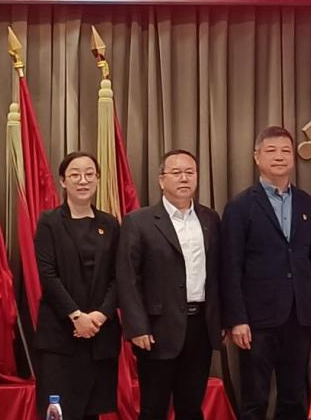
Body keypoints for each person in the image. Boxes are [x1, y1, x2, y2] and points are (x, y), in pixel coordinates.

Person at [221, 126, 311, 420]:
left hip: (299, 317)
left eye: (286, 151)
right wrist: (237, 319)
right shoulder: (240, 206)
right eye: (271, 151)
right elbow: (230, 266)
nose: (279, 157)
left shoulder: (306, 203)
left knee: (295, 397)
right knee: (255, 399)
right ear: (256, 157)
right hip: (256, 321)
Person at [117, 149, 223, 420]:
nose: (184, 178)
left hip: (201, 325)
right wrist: (137, 327)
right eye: (176, 173)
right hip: (157, 328)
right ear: (161, 180)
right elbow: (127, 278)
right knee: (153, 408)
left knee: (191, 407)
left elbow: (219, 273)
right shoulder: (138, 221)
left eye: (190, 172)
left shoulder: (210, 218)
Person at [34, 151, 121, 420]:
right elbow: (47, 275)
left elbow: (120, 276)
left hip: (99, 334)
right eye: (75, 175)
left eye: (89, 174)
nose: (83, 180)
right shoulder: (49, 222)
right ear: (63, 181)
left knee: (91, 412)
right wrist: (76, 316)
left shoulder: (110, 223)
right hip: (60, 337)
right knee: (58, 414)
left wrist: (100, 316)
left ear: (97, 178)